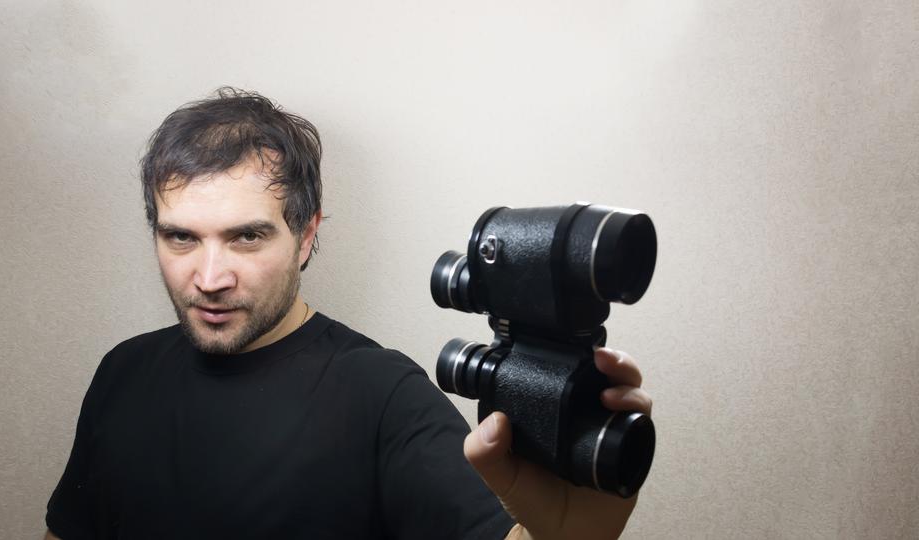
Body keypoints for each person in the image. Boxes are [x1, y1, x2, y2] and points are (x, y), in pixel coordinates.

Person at [44, 88, 653, 540]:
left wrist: (574, 532)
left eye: (247, 237)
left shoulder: (383, 394)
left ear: (306, 237)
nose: (208, 278)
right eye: (181, 239)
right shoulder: (122, 370)